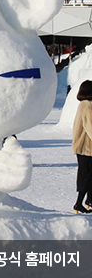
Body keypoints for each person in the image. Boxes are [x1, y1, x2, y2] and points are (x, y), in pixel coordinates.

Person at [72, 80, 92, 214]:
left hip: (82, 147)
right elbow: (90, 126)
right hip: (87, 148)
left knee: (88, 175)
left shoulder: (82, 105)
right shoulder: (88, 106)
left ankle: (88, 200)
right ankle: (79, 203)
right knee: (87, 176)